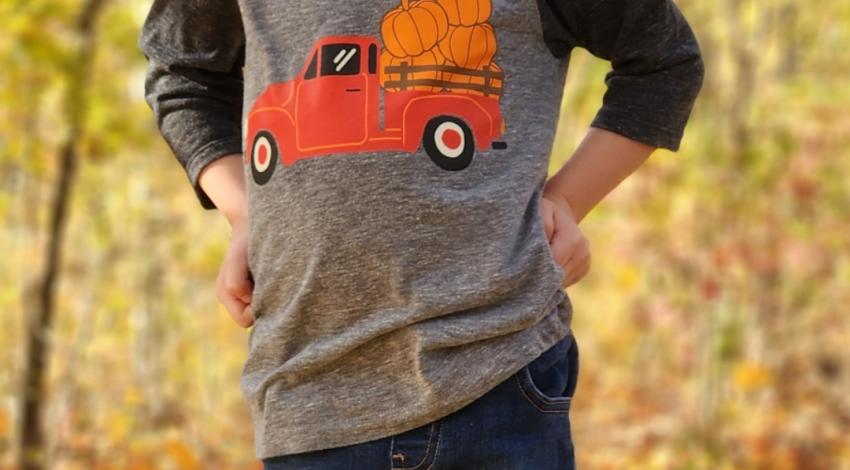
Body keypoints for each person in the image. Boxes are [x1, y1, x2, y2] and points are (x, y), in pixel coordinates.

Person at [138, 0, 703, 467]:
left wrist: (566, 200)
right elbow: (183, 71)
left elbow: (662, 61)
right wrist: (246, 213)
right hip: (307, 388)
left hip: (497, 366)